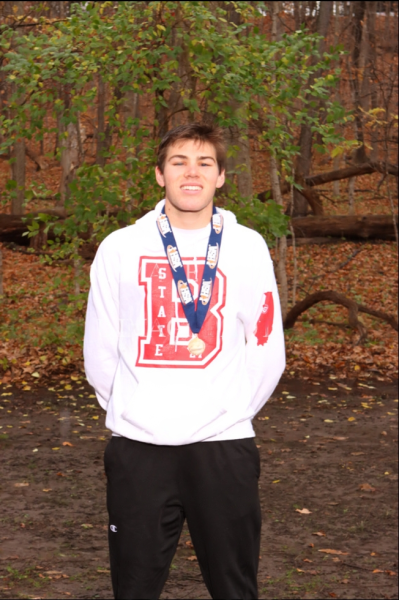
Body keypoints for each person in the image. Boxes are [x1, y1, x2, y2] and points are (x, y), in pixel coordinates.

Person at [84, 123, 285, 600]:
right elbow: (100, 348)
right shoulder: (120, 247)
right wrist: (135, 410)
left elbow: (266, 348)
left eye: (204, 163)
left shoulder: (247, 247)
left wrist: (227, 413)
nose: (191, 173)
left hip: (223, 446)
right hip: (139, 448)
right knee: (133, 588)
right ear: (159, 175)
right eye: (179, 162)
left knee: (235, 587)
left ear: (220, 177)